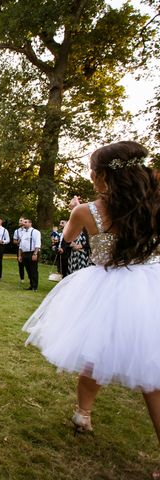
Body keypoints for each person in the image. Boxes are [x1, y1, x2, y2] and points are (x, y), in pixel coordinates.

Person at [22, 141, 160, 479]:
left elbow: (67, 239)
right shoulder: (155, 205)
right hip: (150, 284)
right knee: (152, 372)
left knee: (94, 352)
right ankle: (84, 413)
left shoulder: (86, 211)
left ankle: (83, 413)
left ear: (100, 176)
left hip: (108, 286)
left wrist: (76, 214)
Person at [17, 218, 41, 291]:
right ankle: (31, 285)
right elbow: (21, 245)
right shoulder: (23, 233)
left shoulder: (35, 232)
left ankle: (35, 287)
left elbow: (37, 243)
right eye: (23, 222)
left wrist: (35, 254)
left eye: (25, 222)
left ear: (30, 223)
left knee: (33, 270)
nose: (23, 223)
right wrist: (20, 255)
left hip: (32, 252)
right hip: (24, 253)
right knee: (28, 270)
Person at [13, 217, 26, 284]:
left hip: (27, 249)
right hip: (19, 249)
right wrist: (18, 241)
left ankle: (30, 278)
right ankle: (22, 278)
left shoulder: (28, 230)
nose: (19, 222)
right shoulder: (16, 231)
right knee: (20, 263)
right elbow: (14, 241)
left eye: (21, 220)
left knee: (28, 264)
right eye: (19, 220)